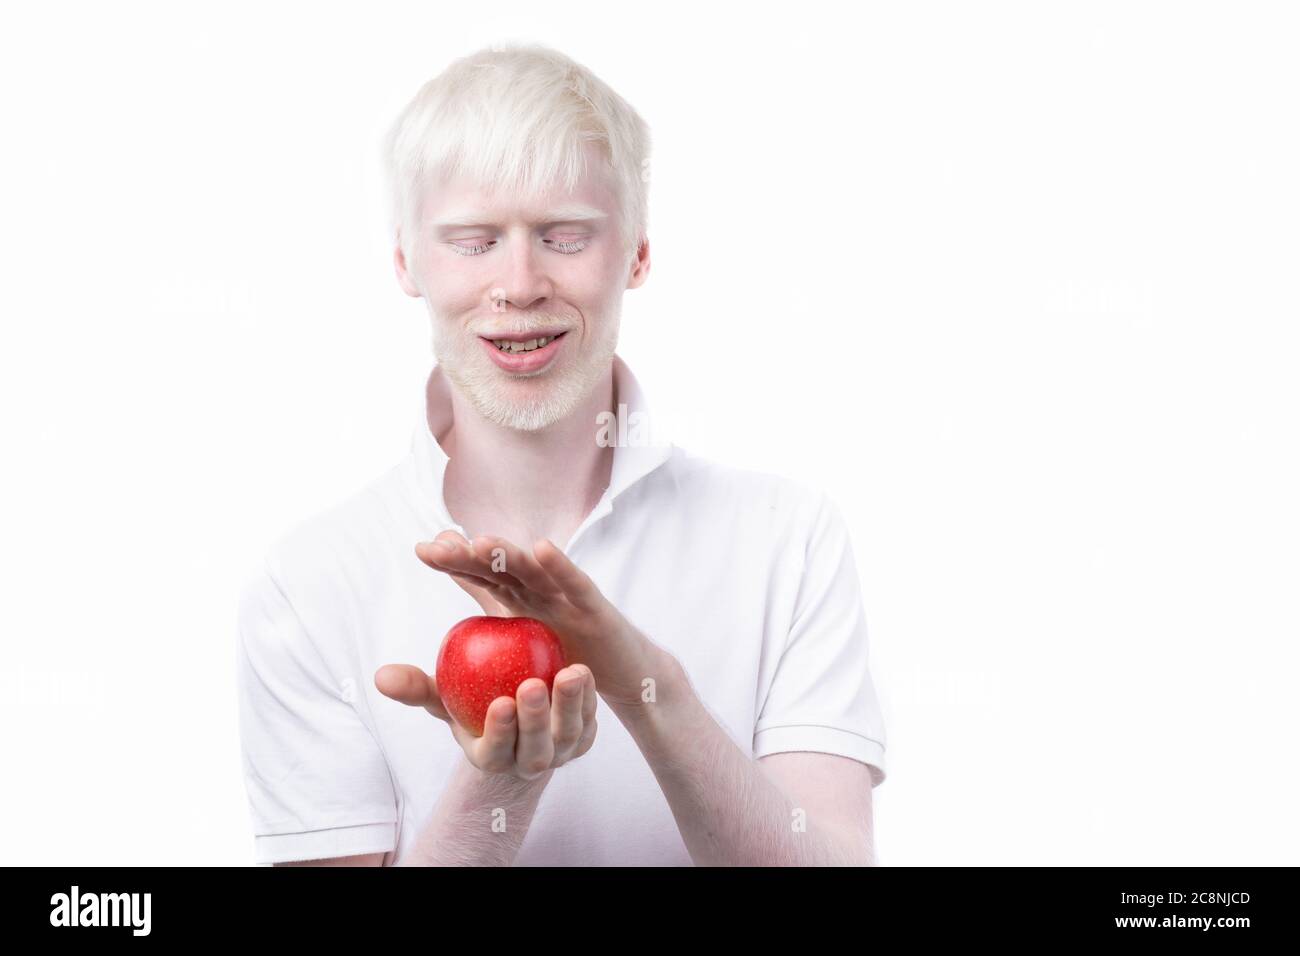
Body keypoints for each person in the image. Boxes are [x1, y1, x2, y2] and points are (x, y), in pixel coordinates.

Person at [236, 42, 887, 866]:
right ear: (406, 261)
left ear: (638, 253)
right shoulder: (309, 585)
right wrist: (501, 783)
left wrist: (648, 688)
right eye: (473, 241)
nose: (520, 282)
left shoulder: (790, 541)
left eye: (565, 236)